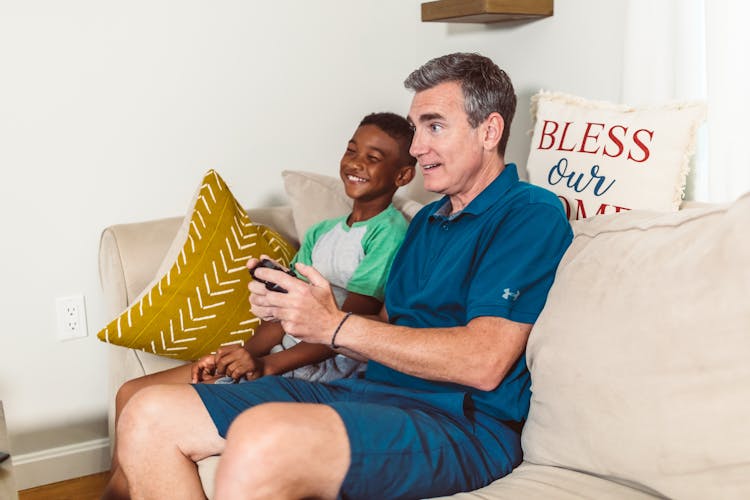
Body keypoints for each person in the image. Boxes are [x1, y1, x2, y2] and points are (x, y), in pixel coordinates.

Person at [115, 52, 574, 500]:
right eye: (416, 130)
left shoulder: (529, 214)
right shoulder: (429, 222)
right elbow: (393, 328)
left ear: (489, 130)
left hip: (460, 423)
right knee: (147, 412)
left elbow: (484, 361)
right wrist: (296, 312)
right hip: (367, 394)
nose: (417, 147)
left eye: (435, 126)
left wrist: (333, 325)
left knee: (263, 439)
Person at [101, 111, 416, 500]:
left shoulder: (389, 233)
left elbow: (342, 327)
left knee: (148, 412)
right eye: (352, 150)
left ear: (403, 175)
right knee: (128, 393)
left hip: (323, 367)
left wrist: (267, 365)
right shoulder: (321, 232)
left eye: (373, 157)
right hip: (279, 355)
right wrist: (242, 353)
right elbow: (285, 313)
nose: (356, 163)